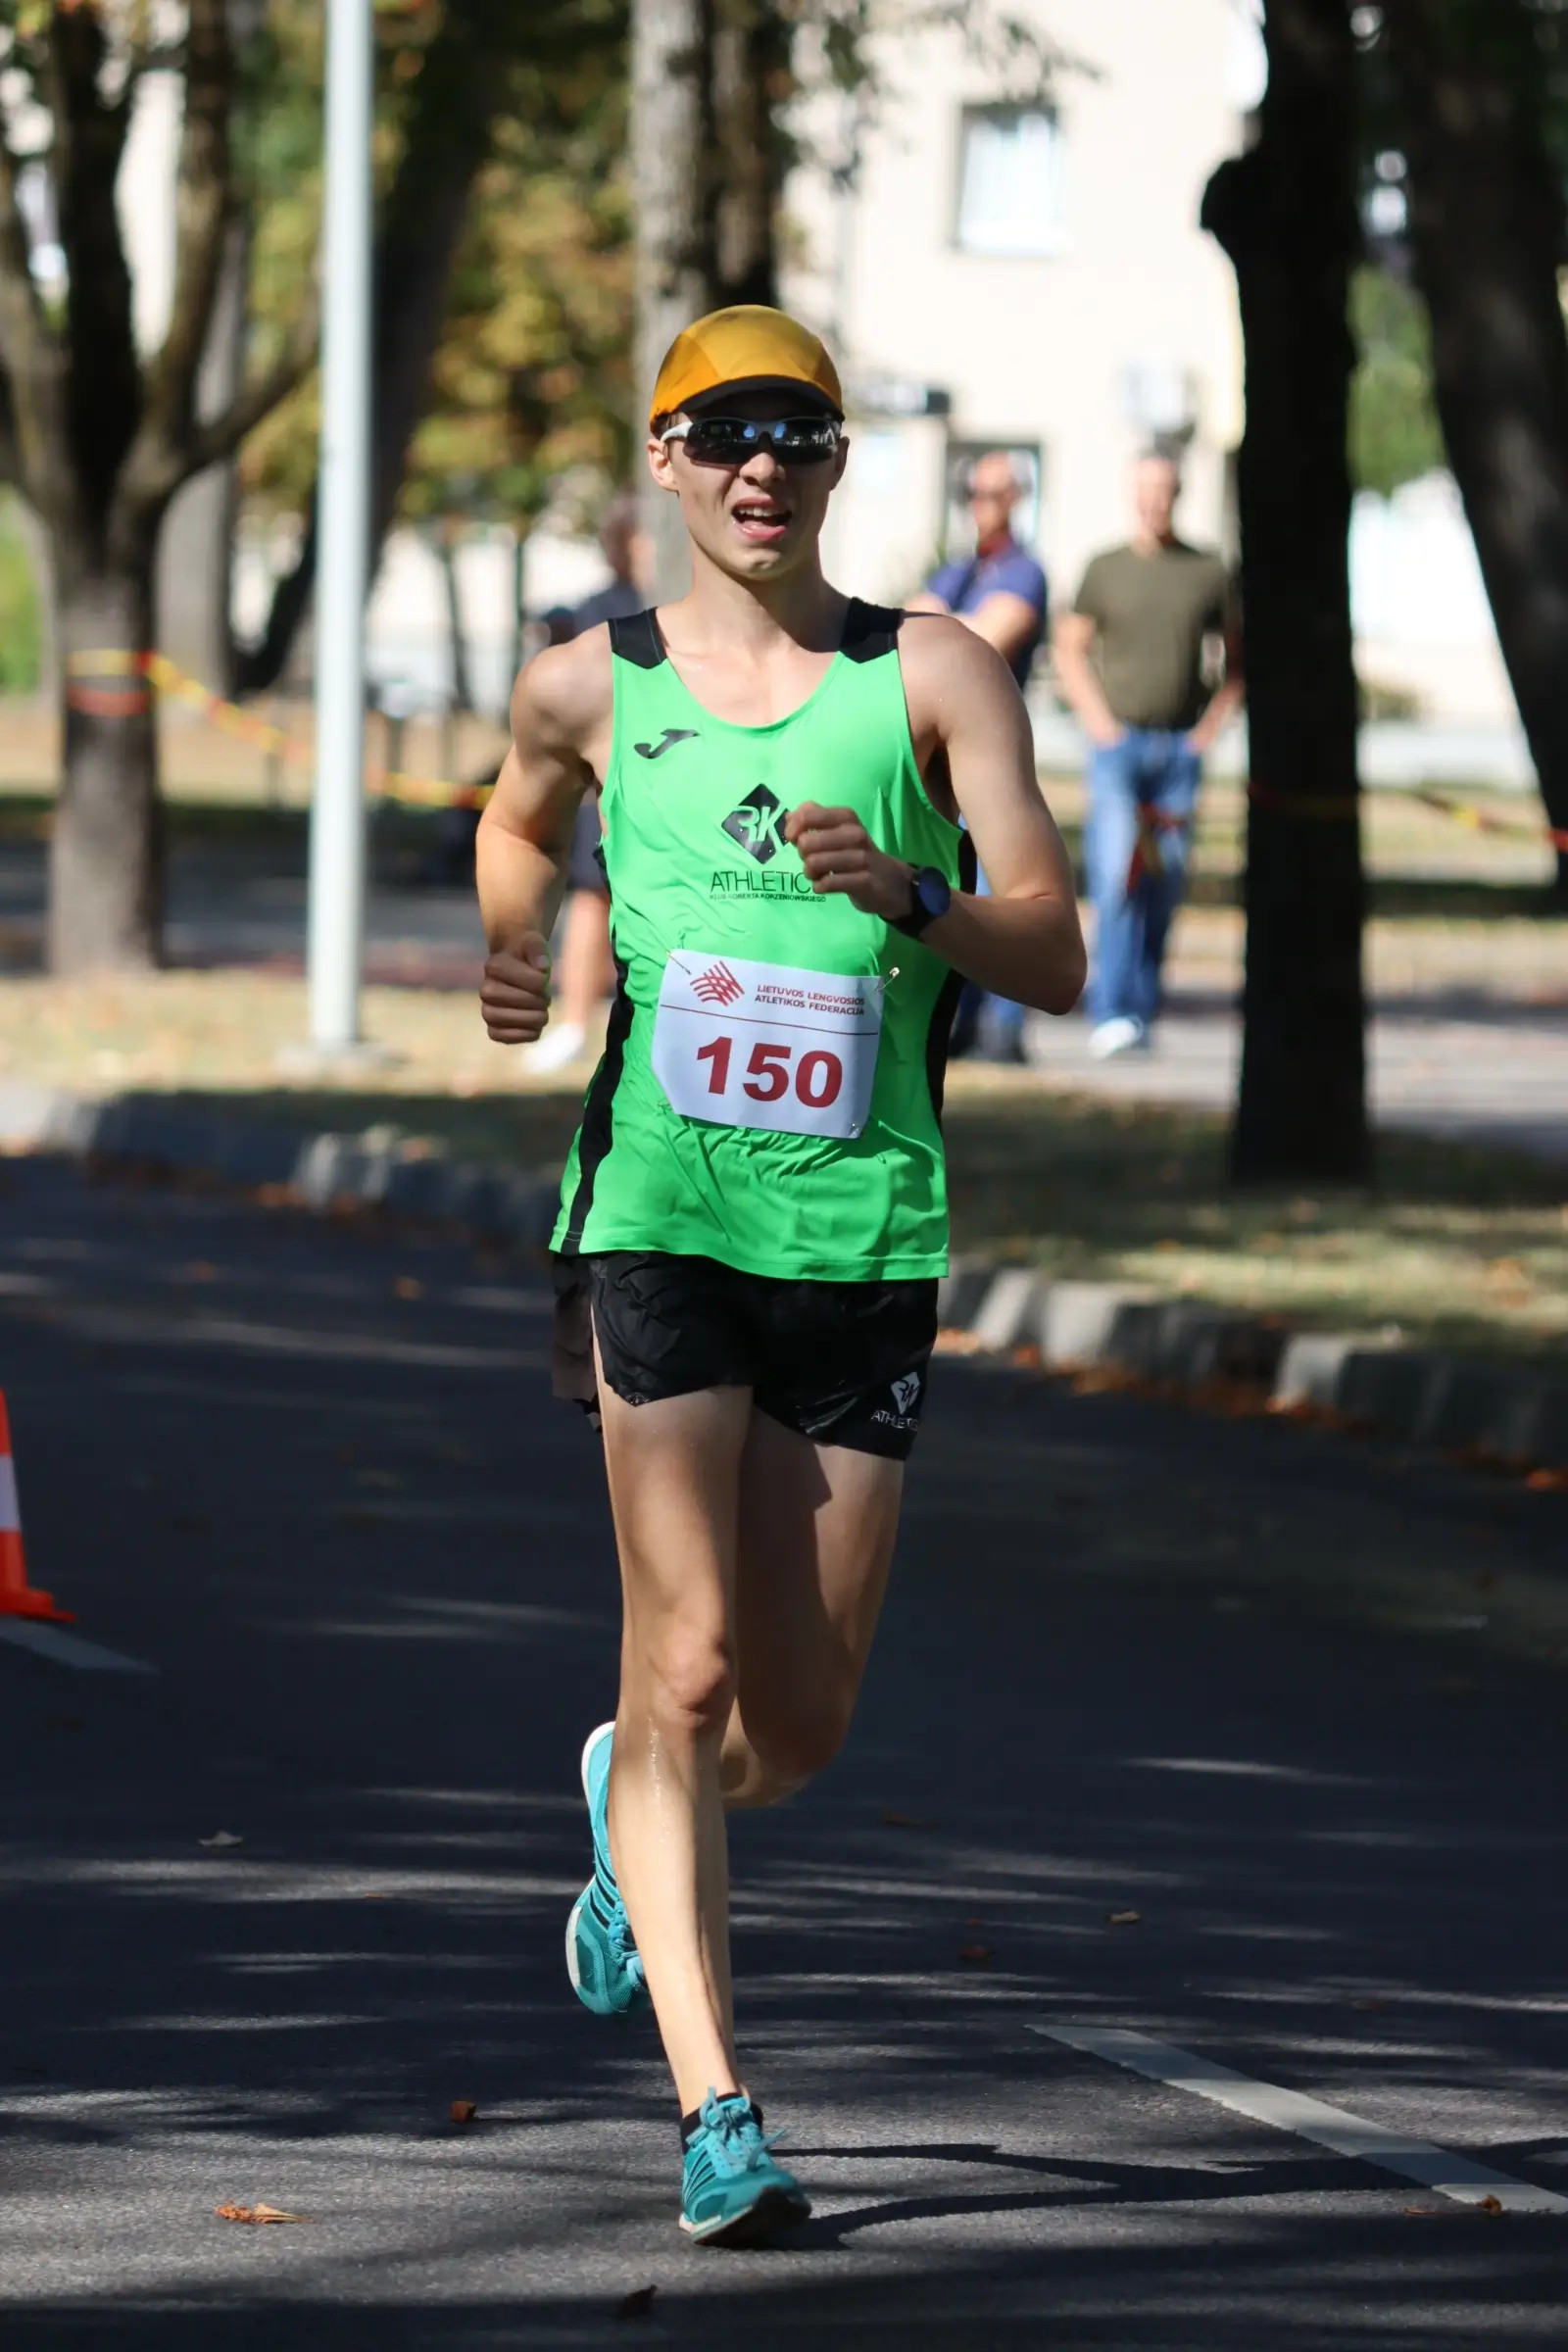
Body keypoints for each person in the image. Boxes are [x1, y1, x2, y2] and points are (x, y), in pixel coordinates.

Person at [476, 305, 1084, 2246]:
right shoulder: (585, 685)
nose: (762, 465)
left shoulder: (931, 675)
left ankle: (623, 1787)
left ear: (835, 468)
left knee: (792, 1730)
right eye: (722, 432)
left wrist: (906, 894)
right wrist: (510, 942)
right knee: (694, 1655)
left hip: (859, 1237)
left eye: (798, 436)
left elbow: (1053, 949)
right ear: (662, 462)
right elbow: (512, 819)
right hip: (653, 1216)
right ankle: (716, 2108)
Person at [1053, 449, 1244, 1059]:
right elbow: (1070, 648)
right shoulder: (1104, 568)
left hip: (1178, 752)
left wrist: (1207, 731)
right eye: (1146, 489)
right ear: (1133, 494)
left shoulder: (1208, 570)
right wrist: (1099, 723)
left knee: (1164, 884)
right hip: (1118, 748)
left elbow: (1237, 661)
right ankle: (1110, 1010)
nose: (1155, 500)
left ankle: (1142, 1005)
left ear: (1179, 494)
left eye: (1165, 489)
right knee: (1115, 879)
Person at [909, 453, 1050, 1062]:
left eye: (992, 492)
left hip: (994, 762)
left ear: (1015, 498)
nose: (980, 503)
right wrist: (948, 621)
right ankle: (960, 1024)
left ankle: (1004, 1031)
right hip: (942, 768)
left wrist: (945, 624)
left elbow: (984, 642)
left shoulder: (1025, 572)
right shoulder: (958, 571)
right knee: (954, 889)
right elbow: (905, 626)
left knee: (1004, 894)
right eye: (973, 492)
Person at [526, 495, 656, 1074]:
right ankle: (576, 1022)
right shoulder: (602, 609)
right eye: (644, 537)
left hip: (676, 782)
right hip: (610, 780)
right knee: (591, 895)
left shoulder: (696, 605)